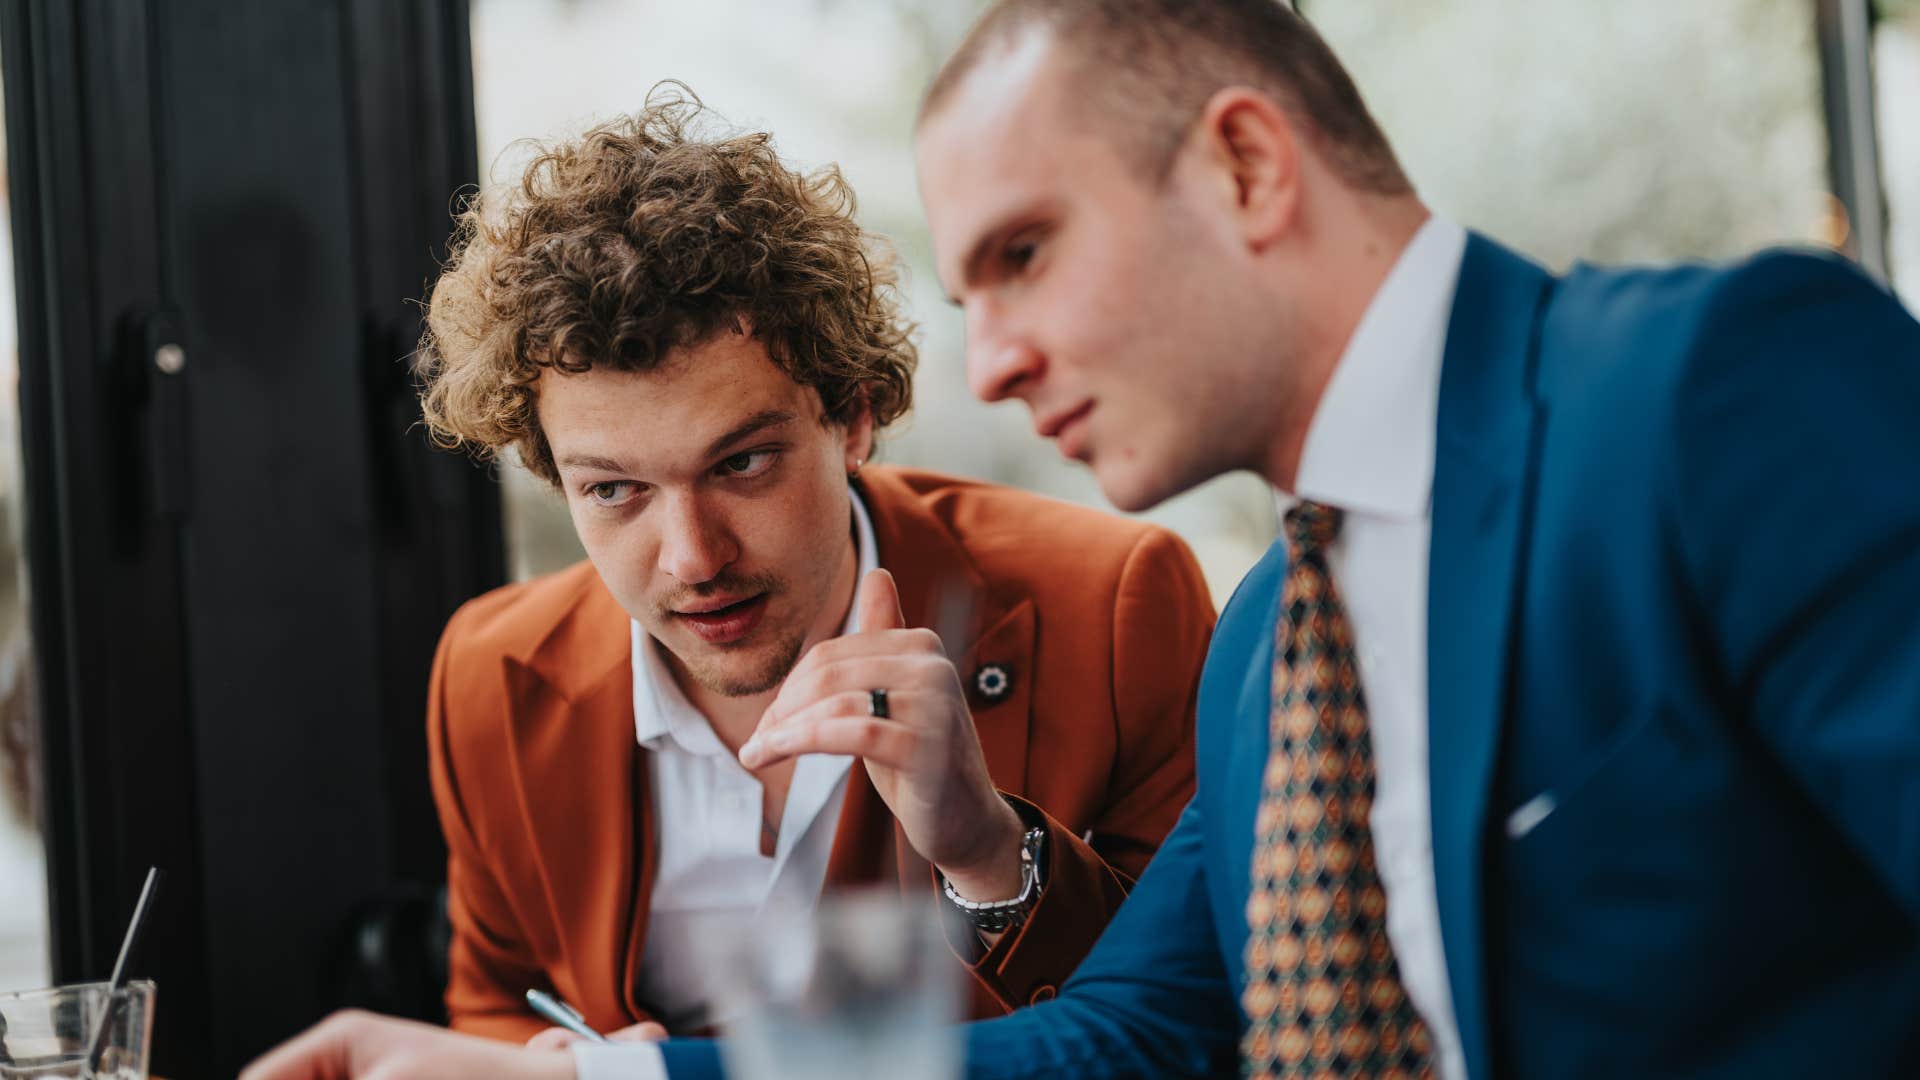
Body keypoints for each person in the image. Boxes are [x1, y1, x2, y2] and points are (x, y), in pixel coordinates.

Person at [244, 1, 1920, 1077]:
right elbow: (1132, 1044)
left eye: (1026, 256)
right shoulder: (1285, 638)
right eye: (968, 291)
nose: (990, 360)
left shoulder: (1710, 384)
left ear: (1249, 167)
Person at [348, 87, 1212, 1071]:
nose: (692, 557)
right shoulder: (491, 671)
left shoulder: (1113, 610)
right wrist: (555, 1061)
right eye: (616, 490)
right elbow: (498, 995)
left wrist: (986, 851)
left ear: (851, 418)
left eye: (743, 463)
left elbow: (1184, 1029)